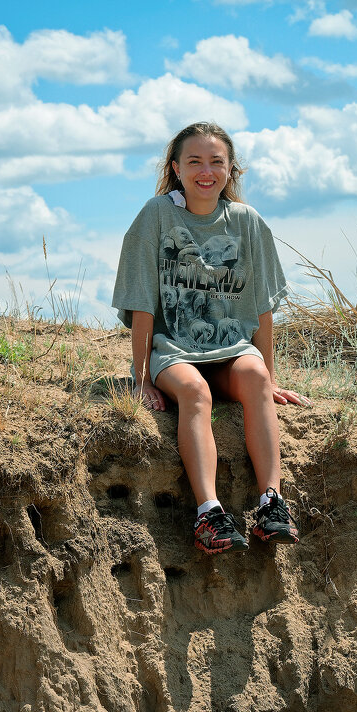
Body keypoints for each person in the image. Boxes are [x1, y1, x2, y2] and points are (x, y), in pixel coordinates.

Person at [112, 121, 309, 555]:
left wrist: (270, 377)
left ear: (231, 169)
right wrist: (142, 378)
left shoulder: (247, 222)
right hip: (175, 351)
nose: (206, 171)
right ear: (176, 168)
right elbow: (142, 303)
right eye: (194, 161)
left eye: (216, 162)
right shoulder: (156, 216)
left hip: (231, 349)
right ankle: (208, 512)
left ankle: (272, 503)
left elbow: (262, 309)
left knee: (255, 378)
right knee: (195, 392)